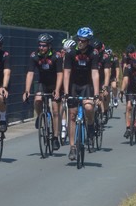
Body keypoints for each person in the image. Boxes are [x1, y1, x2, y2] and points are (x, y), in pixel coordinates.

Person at [62, 27, 101, 160]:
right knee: (72, 115)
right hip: (74, 84)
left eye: (83, 41)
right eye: (79, 40)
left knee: (89, 107)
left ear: (88, 42)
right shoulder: (70, 53)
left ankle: (90, 125)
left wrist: (96, 94)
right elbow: (66, 73)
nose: (80, 42)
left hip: (87, 85)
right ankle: (72, 147)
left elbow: (95, 73)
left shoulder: (93, 53)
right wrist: (65, 92)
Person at [23, 33, 63, 151]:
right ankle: (40, 116)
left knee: (55, 110)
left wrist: (57, 90)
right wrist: (27, 90)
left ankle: (55, 137)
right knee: (37, 100)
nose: (41, 48)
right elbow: (30, 73)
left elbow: (60, 74)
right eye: (40, 45)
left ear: (49, 46)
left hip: (55, 84)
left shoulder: (56, 56)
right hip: (42, 83)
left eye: (44, 46)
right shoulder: (34, 56)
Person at [120, 52, 136, 138]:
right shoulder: (128, 68)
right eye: (134, 62)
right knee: (129, 106)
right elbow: (125, 80)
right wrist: (122, 90)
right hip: (131, 88)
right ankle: (128, 128)